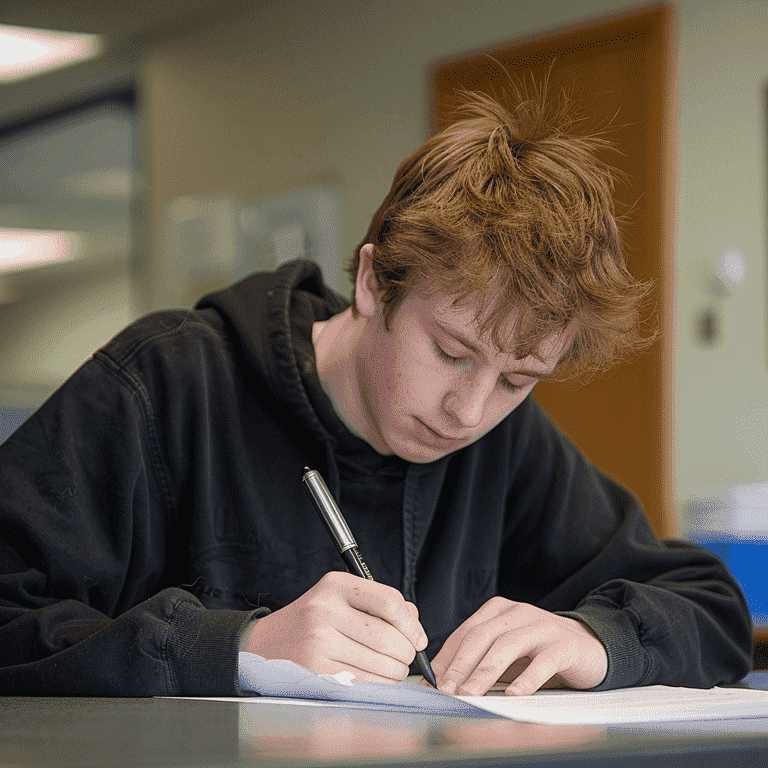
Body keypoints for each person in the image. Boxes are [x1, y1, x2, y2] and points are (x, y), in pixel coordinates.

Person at [0, 81, 753, 698]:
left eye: (518, 379)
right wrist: (238, 647)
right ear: (370, 282)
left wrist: (597, 638)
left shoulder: (507, 444)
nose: (470, 411)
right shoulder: (166, 384)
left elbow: (710, 607)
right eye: (451, 352)